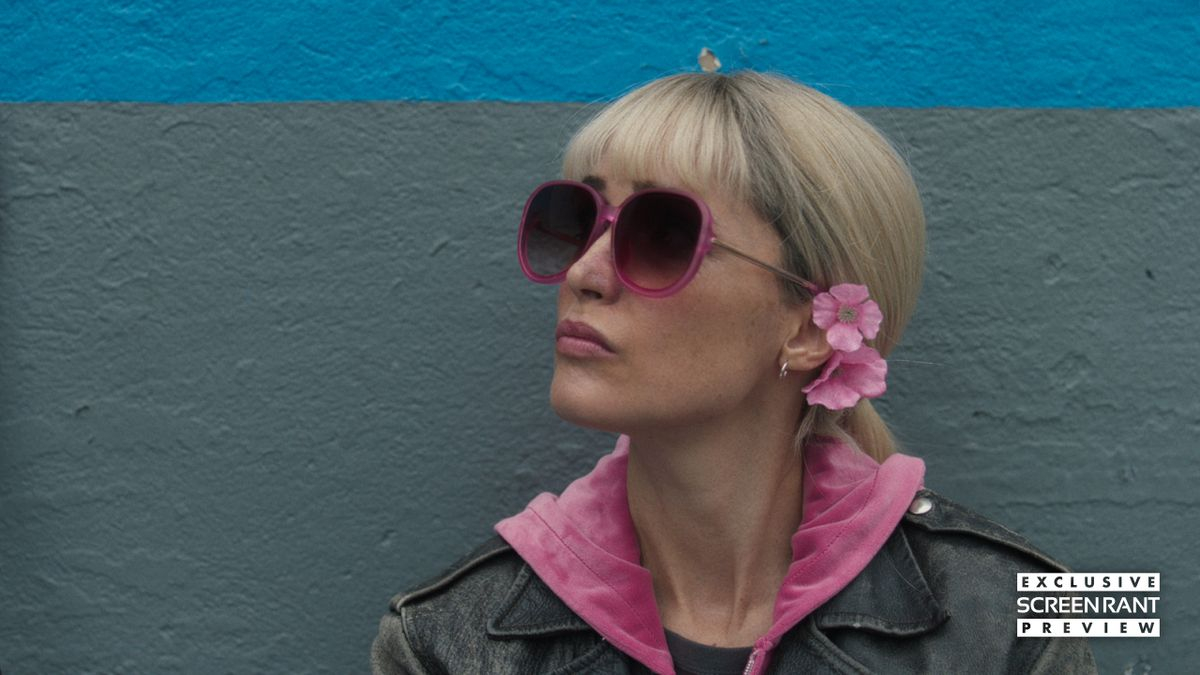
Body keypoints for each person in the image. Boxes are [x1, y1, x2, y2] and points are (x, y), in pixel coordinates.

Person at [371, 70, 1098, 674]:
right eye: (579, 218)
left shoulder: (1020, 618)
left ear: (811, 323)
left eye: (662, 234)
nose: (585, 274)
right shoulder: (442, 642)